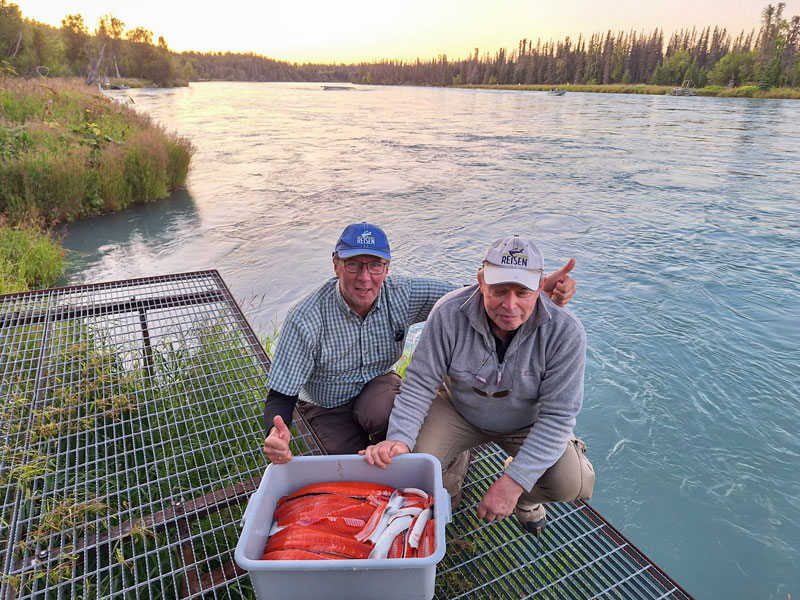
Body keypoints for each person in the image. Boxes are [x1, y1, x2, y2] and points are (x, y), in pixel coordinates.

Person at [262, 223, 578, 466]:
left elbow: (474, 295)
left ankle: (448, 467)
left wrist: (533, 292)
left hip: (376, 386)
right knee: (353, 468)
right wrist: (277, 433)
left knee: (396, 430)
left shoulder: (403, 293)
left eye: (375, 265)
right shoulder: (305, 318)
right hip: (326, 403)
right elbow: (280, 395)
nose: (365, 277)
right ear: (335, 265)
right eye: (353, 264)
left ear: (387, 268)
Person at [363, 234, 594, 535]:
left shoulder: (565, 332)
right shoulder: (448, 313)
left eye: (522, 292)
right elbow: (420, 383)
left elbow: (558, 417)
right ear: (481, 281)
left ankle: (526, 501)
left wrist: (515, 483)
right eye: (499, 290)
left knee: (572, 481)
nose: (509, 305)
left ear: (540, 288)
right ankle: (453, 482)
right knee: (415, 468)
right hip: (458, 410)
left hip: (526, 423)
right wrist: (400, 439)